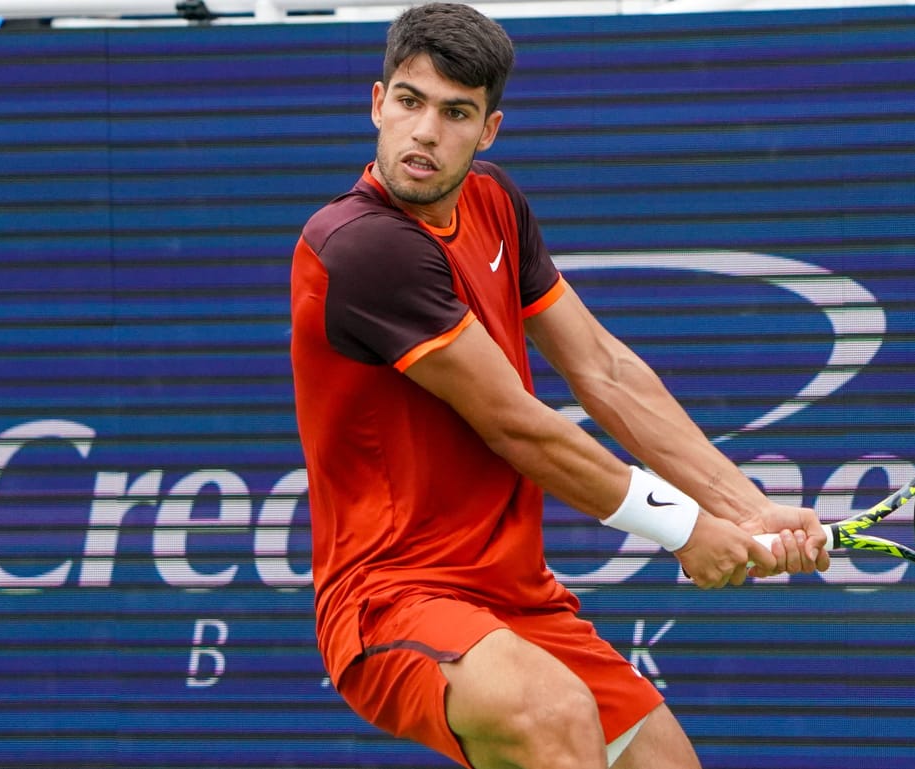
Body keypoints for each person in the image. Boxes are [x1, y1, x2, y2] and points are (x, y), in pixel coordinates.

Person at [289, 4, 830, 767]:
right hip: (391, 595)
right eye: (409, 103)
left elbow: (604, 369)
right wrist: (683, 527)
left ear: (489, 130)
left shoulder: (495, 204)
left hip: (515, 592)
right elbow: (517, 424)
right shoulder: (360, 246)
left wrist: (744, 505)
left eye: (456, 113)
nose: (425, 133)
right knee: (553, 715)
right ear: (377, 102)